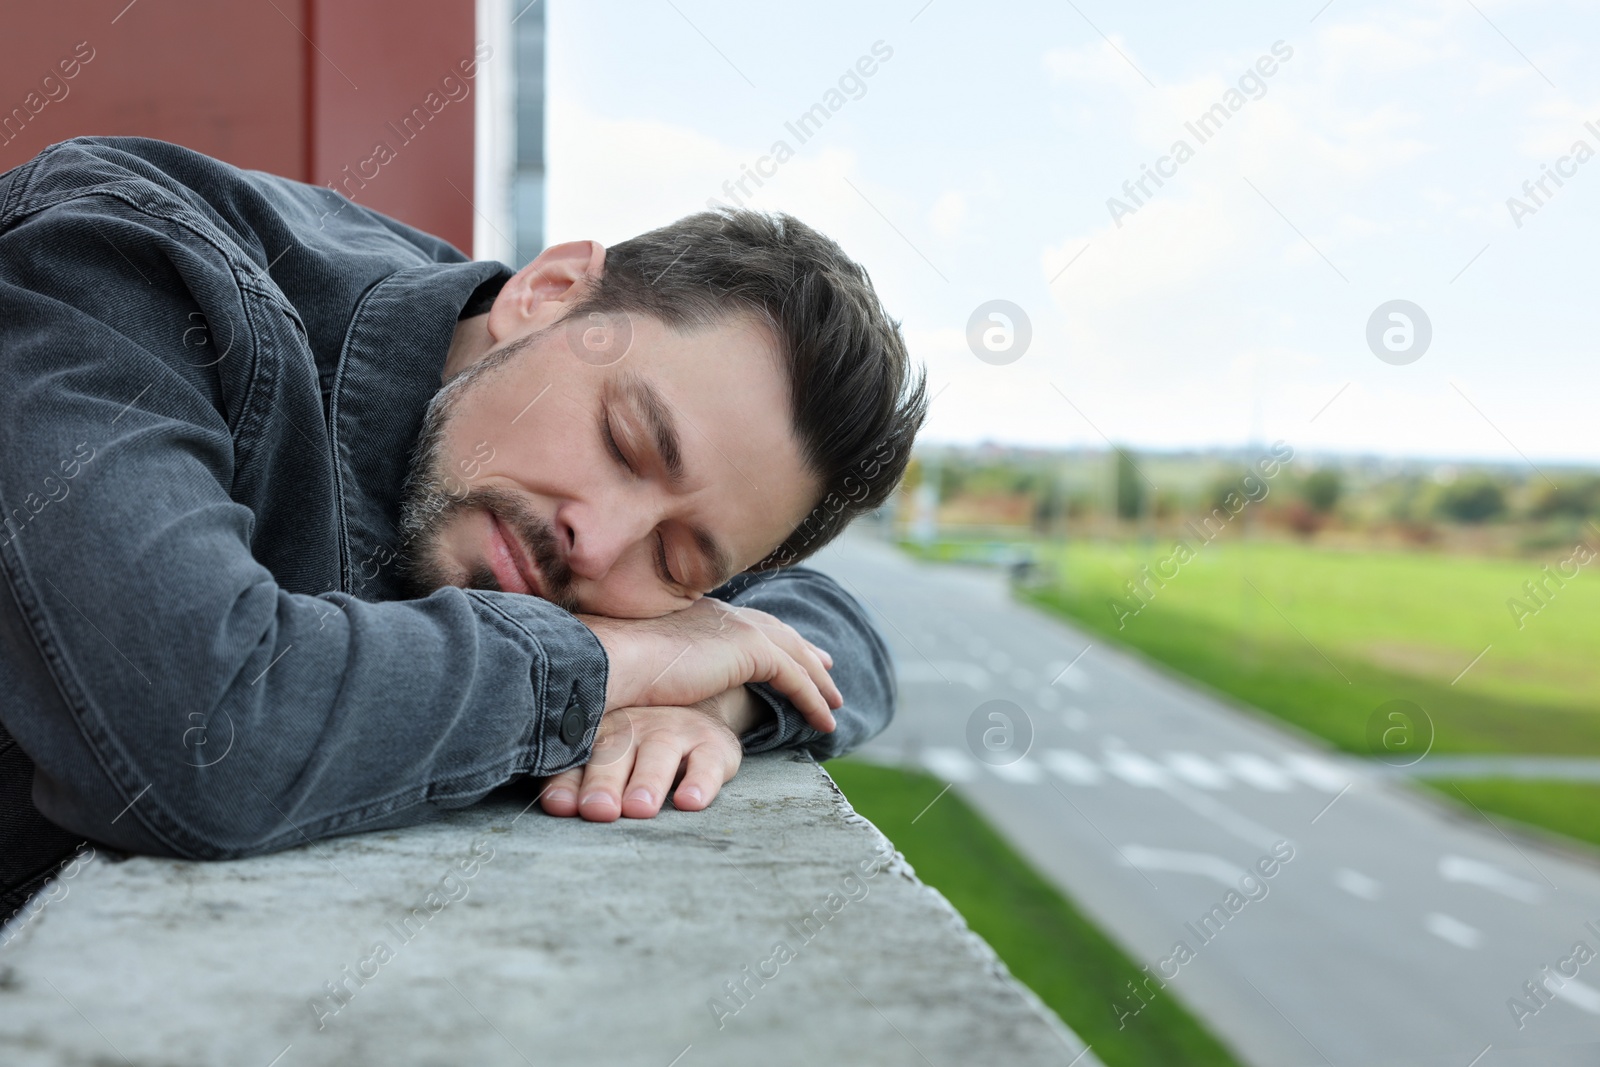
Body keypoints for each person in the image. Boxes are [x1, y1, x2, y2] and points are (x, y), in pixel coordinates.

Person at [0, 137, 925, 914]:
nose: (597, 542)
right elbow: (197, 726)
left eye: (679, 560)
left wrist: (720, 695)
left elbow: (840, 638)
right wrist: (618, 667)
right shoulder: (132, 261)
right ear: (550, 291)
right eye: (624, 441)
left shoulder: (586, 462)